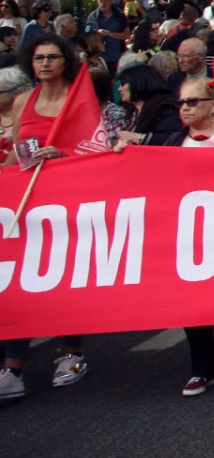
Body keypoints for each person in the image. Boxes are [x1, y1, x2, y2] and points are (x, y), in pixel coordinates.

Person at [137, 74, 214, 397]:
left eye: (193, 102)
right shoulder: (172, 142)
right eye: (181, 102)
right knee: (191, 303)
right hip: (186, 236)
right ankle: (202, 370)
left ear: (213, 104)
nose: (185, 109)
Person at [0, 36, 89, 397]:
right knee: (24, 280)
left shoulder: (78, 99)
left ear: (64, 61)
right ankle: (13, 369)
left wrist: (63, 156)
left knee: (65, 281)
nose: (46, 64)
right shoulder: (25, 101)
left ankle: (73, 353)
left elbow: (92, 149)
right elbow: (16, 154)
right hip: (29, 202)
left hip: (69, 203)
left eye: (53, 57)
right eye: (39, 58)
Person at [84, 0, 129, 69]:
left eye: (105, 0)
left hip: (117, 56)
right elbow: (87, 34)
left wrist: (110, 34)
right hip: (99, 58)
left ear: (111, 1)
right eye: (100, 0)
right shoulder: (93, 16)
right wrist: (97, 32)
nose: (103, 3)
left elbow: (127, 35)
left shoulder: (119, 16)